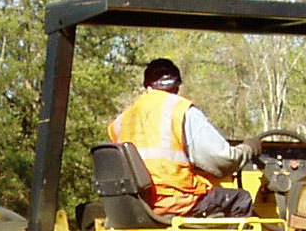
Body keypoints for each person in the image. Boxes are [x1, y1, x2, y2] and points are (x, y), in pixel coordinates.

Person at [108, 57, 256, 217]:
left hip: (136, 206)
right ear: (177, 87)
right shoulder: (181, 110)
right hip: (175, 202)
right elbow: (223, 161)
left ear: (147, 87)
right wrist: (248, 148)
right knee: (241, 199)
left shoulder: (120, 122)